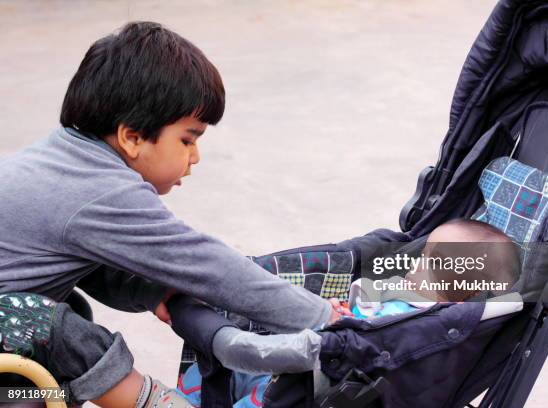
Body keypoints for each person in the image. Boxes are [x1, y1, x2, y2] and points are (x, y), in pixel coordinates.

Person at [0, 21, 346, 407]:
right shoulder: (102, 191)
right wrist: (322, 317)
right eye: (187, 139)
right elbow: (206, 265)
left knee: (58, 316)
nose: (194, 157)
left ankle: (54, 394)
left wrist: (150, 287)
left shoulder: (62, 161)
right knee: (46, 324)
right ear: (132, 137)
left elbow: (90, 265)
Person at [172, 218, 521, 407]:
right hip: (309, 354)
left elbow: (374, 336)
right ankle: (181, 400)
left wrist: (347, 321)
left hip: (318, 381)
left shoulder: (426, 323)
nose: (415, 262)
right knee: (224, 371)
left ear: (457, 301)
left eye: (428, 262)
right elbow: (361, 307)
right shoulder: (404, 291)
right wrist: (345, 309)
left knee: (256, 393)